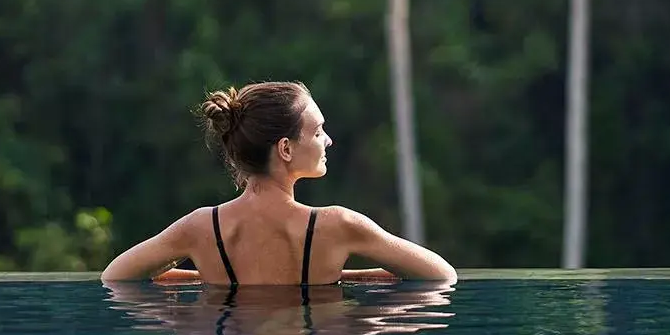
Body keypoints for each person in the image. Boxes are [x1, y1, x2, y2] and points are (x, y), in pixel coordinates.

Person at [100, 81, 457, 285]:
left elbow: (115, 278)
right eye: (317, 131)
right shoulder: (337, 226)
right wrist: (349, 278)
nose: (328, 140)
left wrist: (202, 280)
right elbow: (442, 276)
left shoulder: (202, 228)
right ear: (285, 148)